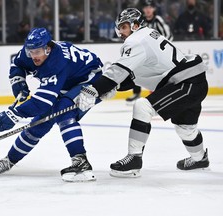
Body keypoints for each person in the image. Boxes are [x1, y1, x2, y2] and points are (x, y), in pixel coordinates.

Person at [77, 8, 209, 177]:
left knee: (142, 106)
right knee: (185, 127)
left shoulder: (136, 40)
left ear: (135, 25)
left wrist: (93, 90)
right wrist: (114, 86)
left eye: (124, 27)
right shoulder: (148, 35)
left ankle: (134, 159)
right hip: (192, 80)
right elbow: (135, 75)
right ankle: (200, 159)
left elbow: (117, 72)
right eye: (119, 28)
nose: (121, 33)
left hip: (186, 82)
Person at [0, 27, 103, 182]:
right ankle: (10, 160)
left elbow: (42, 103)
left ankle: (81, 162)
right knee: (39, 124)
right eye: (31, 52)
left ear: (48, 49)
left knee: (62, 111)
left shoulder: (56, 62)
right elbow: (17, 64)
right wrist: (18, 81)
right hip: (65, 83)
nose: (33, 56)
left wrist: (15, 113)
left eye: (38, 52)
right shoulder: (31, 51)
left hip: (92, 81)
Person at [126, 0, 173, 103]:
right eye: (146, 8)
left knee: (161, 71)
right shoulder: (140, 22)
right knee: (135, 68)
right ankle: (136, 92)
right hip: (143, 52)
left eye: (150, 7)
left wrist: (162, 50)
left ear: (154, 9)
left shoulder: (158, 20)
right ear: (143, 9)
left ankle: (161, 92)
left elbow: (168, 36)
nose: (148, 10)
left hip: (158, 52)